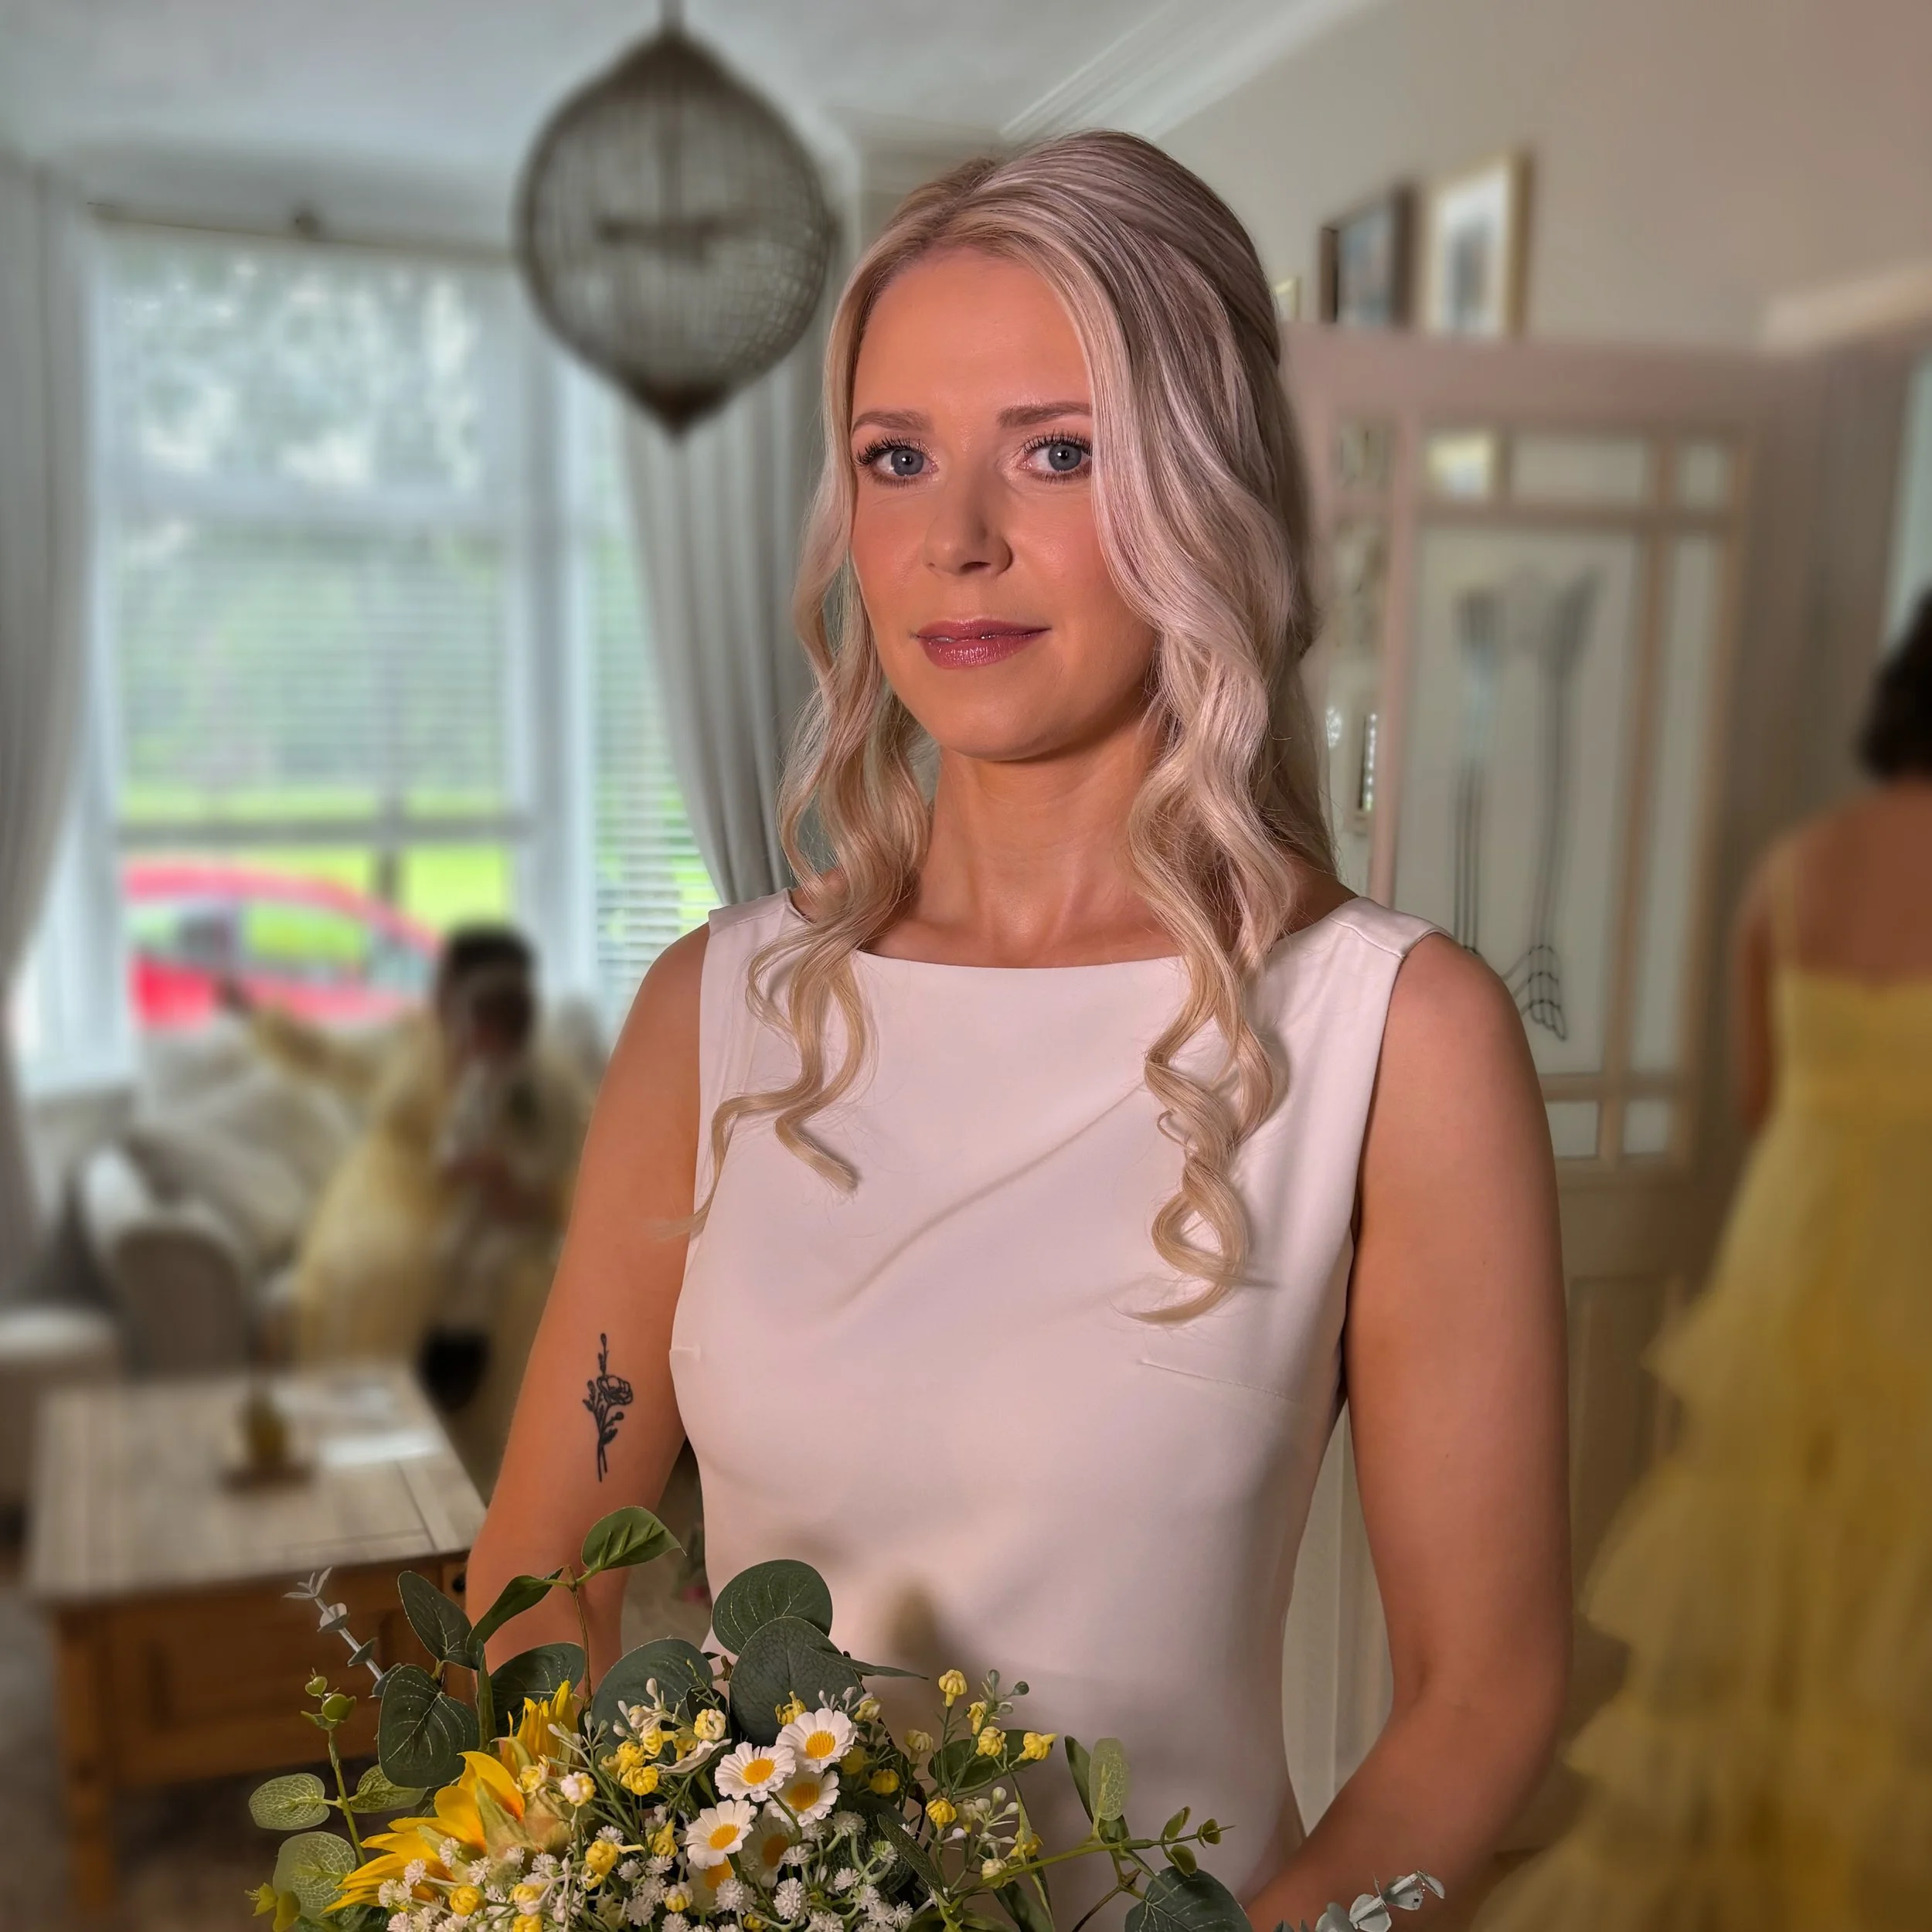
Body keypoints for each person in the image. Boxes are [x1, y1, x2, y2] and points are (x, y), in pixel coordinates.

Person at [468, 131, 1570, 1923]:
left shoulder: (1394, 1036)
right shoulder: (716, 1011)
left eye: (1058, 452)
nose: (955, 540)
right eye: (895, 457)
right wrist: (604, 1892)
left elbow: (1484, 1693)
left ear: (1202, 488)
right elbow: (542, 1564)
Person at [1491, 597, 1932, 1928]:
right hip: (1911, 1279)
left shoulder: (1799, 867)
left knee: (1777, 1584)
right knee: (1890, 1602)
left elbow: (1759, 1096)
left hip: (1797, 1266)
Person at [250, 923, 590, 1485]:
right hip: (385, 1193)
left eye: (449, 980)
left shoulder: (534, 1071)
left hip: (487, 1205)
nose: (437, 992)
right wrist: (267, 1020)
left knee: (520, 1282)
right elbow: (336, 1059)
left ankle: (492, 1467)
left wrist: (531, 1198)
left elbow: (570, 1147)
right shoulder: (412, 1038)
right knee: (379, 1269)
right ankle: (365, 1449)